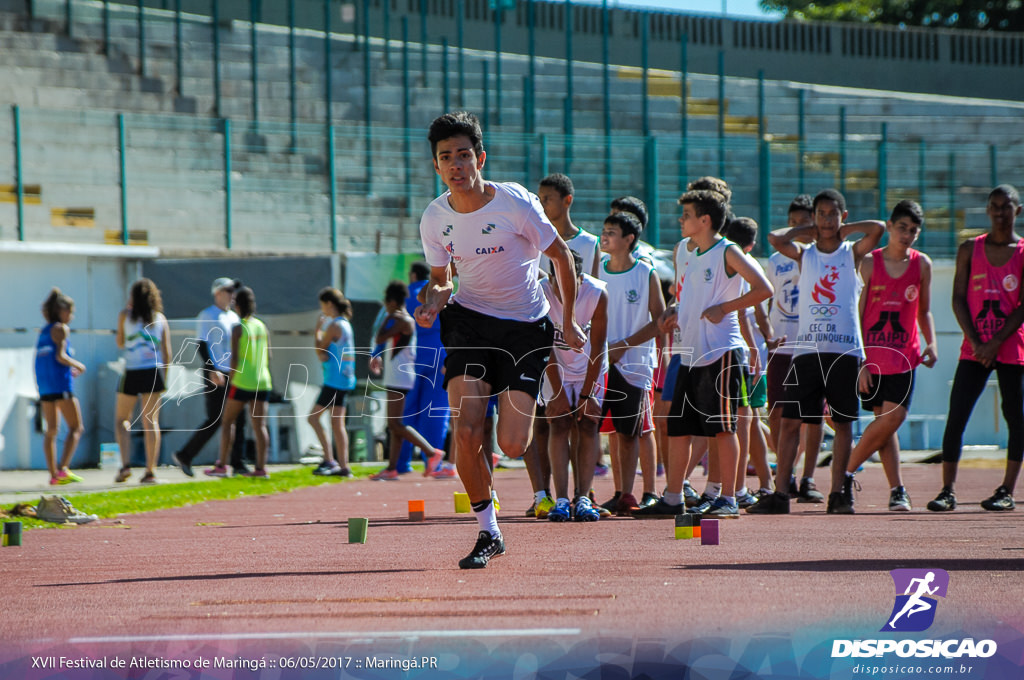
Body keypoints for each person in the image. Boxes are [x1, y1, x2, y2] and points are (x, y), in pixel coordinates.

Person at [416, 111, 584, 569]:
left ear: (480, 158)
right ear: (436, 166)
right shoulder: (434, 218)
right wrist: (432, 301)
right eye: (446, 157)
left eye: (464, 155)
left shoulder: (515, 203)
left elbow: (562, 257)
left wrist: (567, 322)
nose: (456, 164)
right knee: (466, 432)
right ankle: (488, 531)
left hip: (525, 327)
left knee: (512, 444)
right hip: (468, 322)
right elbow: (441, 279)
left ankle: (498, 470)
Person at [636, 189, 772, 519]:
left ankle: (727, 498)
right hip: (689, 352)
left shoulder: (728, 251)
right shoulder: (687, 252)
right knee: (679, 428)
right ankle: (672, 497)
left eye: (685, 215)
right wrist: (673, 312)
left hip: (722, 351)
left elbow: (763, 288)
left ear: (704, 220)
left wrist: (724, 307)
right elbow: (687, 297)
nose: (680, 220)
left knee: (723, 427)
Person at [749, 189, 884, 515]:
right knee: (790, 422)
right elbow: (775, 238)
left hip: (843, 351)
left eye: (832, 214)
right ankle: (781, 493)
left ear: (843, 216)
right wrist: (804, 231)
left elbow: (878, 228)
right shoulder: (804, 253)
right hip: (806, 351)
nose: (826, 220)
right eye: (821, 214)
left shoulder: (851, 253)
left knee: (842, 423)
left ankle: (838, 492)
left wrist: (843, 232)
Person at [929, 185, 1024, 512]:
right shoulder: (970, 249)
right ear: (987, 210)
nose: (1000, 212)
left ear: (1018, 211)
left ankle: (1006, 490)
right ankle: (947, 491)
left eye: (1006, 207)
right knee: (957, 416)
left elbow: (1023, 305)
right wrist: (975, 341)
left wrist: (996, 343)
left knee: (1016, 418)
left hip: (1011, 348)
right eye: (994, 206)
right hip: (975, 347)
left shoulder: (1023, 252)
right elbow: (958, 297)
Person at [847, 200, 937, 511]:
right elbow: (856, 315)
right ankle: (897, 489)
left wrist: (932, 342)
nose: (907, 235)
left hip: (904, 356)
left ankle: (844, 471)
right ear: (889, 226)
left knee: (893, 419)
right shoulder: (869, 263)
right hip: (872, 358)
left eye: (913, 230)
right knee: (884, 426)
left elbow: (924, 311)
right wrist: (859, 362)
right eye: (902, 228)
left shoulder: (922, 264)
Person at [598, 211, 665, 515]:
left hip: (635, 363)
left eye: (611, 232)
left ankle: (641, 492)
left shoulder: (645, 273)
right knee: (608, 431)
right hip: (600, 362)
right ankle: (618, 493)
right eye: (604, 230)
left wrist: (623, 346)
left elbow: (660, 321)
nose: (605, 236)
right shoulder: (597, 271)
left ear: (629, 239)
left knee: (634, 430)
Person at [765, 195, 825, 502]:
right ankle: (784, 472)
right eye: (793, 223)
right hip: (781, 345)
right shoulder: (775, 261)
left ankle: (809, 477)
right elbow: (766, 300)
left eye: (804, 223)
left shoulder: (822, 257)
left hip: (814, 346)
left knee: (813, 416)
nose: (798, 229)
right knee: (776, 412)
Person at [540, 251, 608, 521]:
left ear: (579, 278)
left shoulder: (597, 293)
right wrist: (557, 393)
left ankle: (583, 496)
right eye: (558, 282)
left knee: (588, 424)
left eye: (570, 281)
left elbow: (600, 346)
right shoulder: (541, 292)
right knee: (559, 423)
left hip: (589, 366)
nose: (562, 288)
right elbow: (544, 345)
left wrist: (588, 393)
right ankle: (561, 499)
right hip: (555, 365)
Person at [368, 280, 445, 480]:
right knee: (394, 425)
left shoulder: (403, 320)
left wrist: (389, 316)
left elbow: (379, 337)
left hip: (400, 376)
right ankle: (393, 467)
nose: (385, 306)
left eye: (386, 302)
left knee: (396, 424)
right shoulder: (400, 318)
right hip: (397, 374)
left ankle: (431, 452)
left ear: (392, 301)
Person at [172, 277, 247, 477]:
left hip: (233, 372)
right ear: (218, 293)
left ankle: (238, 463)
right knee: (216, 418)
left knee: (239, 418)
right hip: (216, 371)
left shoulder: (233, 316)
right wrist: (211, 369)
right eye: (228, 290)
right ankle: (185, 455)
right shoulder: (207, 315)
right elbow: (202, 344)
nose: (232, 295)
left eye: (233, 291)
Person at [204, 286, 273, 478]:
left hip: (243, 381)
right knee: (260, 426)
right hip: (263, 380)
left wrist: (231, 381)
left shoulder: (238, 328)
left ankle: (222, 465)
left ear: (238, 305)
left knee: (227, 422)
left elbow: (234, 359)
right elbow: (269, 354)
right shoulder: (261, 325)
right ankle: (260, 468)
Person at [394, 262, 451, 476]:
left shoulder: (407, 296)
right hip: (441, 356)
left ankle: (401, 463)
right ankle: (434, 462)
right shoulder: (441, 294)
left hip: (412, 358)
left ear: (412, 274)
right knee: (436, 411)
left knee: (406, 411)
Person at [114, 278, 171, 484]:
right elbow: (167, 353)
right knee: (151, 422)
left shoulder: (125, 316)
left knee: (122, 419)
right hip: (153, 372)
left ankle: (125, 465)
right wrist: (166, 379)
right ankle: (150, 470)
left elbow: (120, 342)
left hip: (131, 371)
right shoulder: (160, 319)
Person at [35, 288, 86, 486]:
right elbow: (60, 357)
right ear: (62, 311)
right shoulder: (61, 328)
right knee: (76, 427)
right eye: (70, 312)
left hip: (45, 386)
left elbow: (47, 359)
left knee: (52, 430)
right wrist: (79, 365)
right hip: (60, 385)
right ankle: (63, 468)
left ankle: (53, 475)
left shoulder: (44, 331)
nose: (71, 317)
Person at [309, 287, 357, 477]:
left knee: (313, 418)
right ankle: (344, 466)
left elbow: (320, 352)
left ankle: (329, 460)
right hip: (345, 379)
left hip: (334, 380)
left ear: (329, 304)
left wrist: (317, 331)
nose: (322, 309)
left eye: (323, 305)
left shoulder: (334, 326)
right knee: (337, 424)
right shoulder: (346, 324)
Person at [537, 173, 601, 278]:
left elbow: (595, 290)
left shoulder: (590, 243)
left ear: (567, 200)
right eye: (539, 199)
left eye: (547, 199)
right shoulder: (535, 241)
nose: (541, 204)